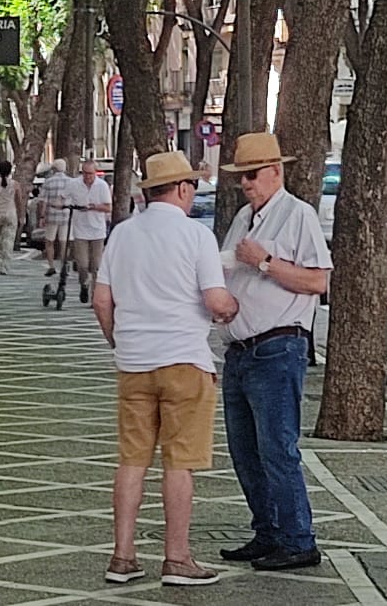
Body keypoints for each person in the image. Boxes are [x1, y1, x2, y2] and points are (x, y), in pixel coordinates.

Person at [93, 151, 237, 588]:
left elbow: (102, 301)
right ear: (181, 189)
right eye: (191, 186)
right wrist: (232, 309)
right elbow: (215, 301)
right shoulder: (196, 236)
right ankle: (176, 559)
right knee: (179, 463)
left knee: (131, 460)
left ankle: (122, 557)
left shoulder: (122, 234)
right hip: (184, 362)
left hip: (133, 363)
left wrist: (122, 341)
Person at [218, 132, 331, 574]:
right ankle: (268, 531)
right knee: (245, 450)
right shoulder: (246, 217)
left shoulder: (297, 215)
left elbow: (319, 281)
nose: (245, 184)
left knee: (277, 448)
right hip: (241, 349)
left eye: (251, 175)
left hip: (277, 346)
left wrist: (265, 262)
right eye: (240, 177)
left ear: (274, 172)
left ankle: (298, 539)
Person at [71, 158, 114, 304]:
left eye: (90, 173)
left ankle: (95, 296)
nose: (88, 177)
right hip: (80, 229)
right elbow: (63, 199)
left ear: (95, 173)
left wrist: (94, 207)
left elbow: (108, 207)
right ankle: (84, 284)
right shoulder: (74, 184)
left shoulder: (102, 186)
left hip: (97, 230)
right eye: (85, 173)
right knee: (82, 264)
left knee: (96, 266)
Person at [40, 158, 77, 276]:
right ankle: (63, 265)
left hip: (52, 214)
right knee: (64, 242)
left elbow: (43, 201)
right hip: (66, 215)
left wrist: (42, 216)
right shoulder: (72, 182)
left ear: (54, 169)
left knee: (49, 241)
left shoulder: (48, 182)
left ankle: (51, 266)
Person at [0, 160, 20, 275]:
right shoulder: (15, 184)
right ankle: (4, 265)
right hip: (10, 214)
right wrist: (21, 216)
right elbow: (19, 201)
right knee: (7, 240)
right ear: (10, 171)